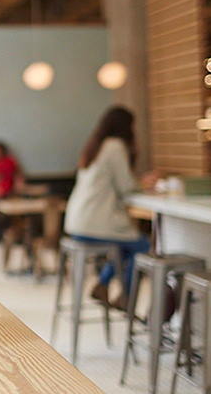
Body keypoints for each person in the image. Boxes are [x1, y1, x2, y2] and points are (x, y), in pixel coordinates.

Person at [63, 106, 151, 309]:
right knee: (143, 246)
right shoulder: (115, 146)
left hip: (77, 222)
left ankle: (103, 284)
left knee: (123, 246)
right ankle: (126, 297)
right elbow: (126, 185)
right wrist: (144, 183)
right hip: (95, 222)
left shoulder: (95, 146)